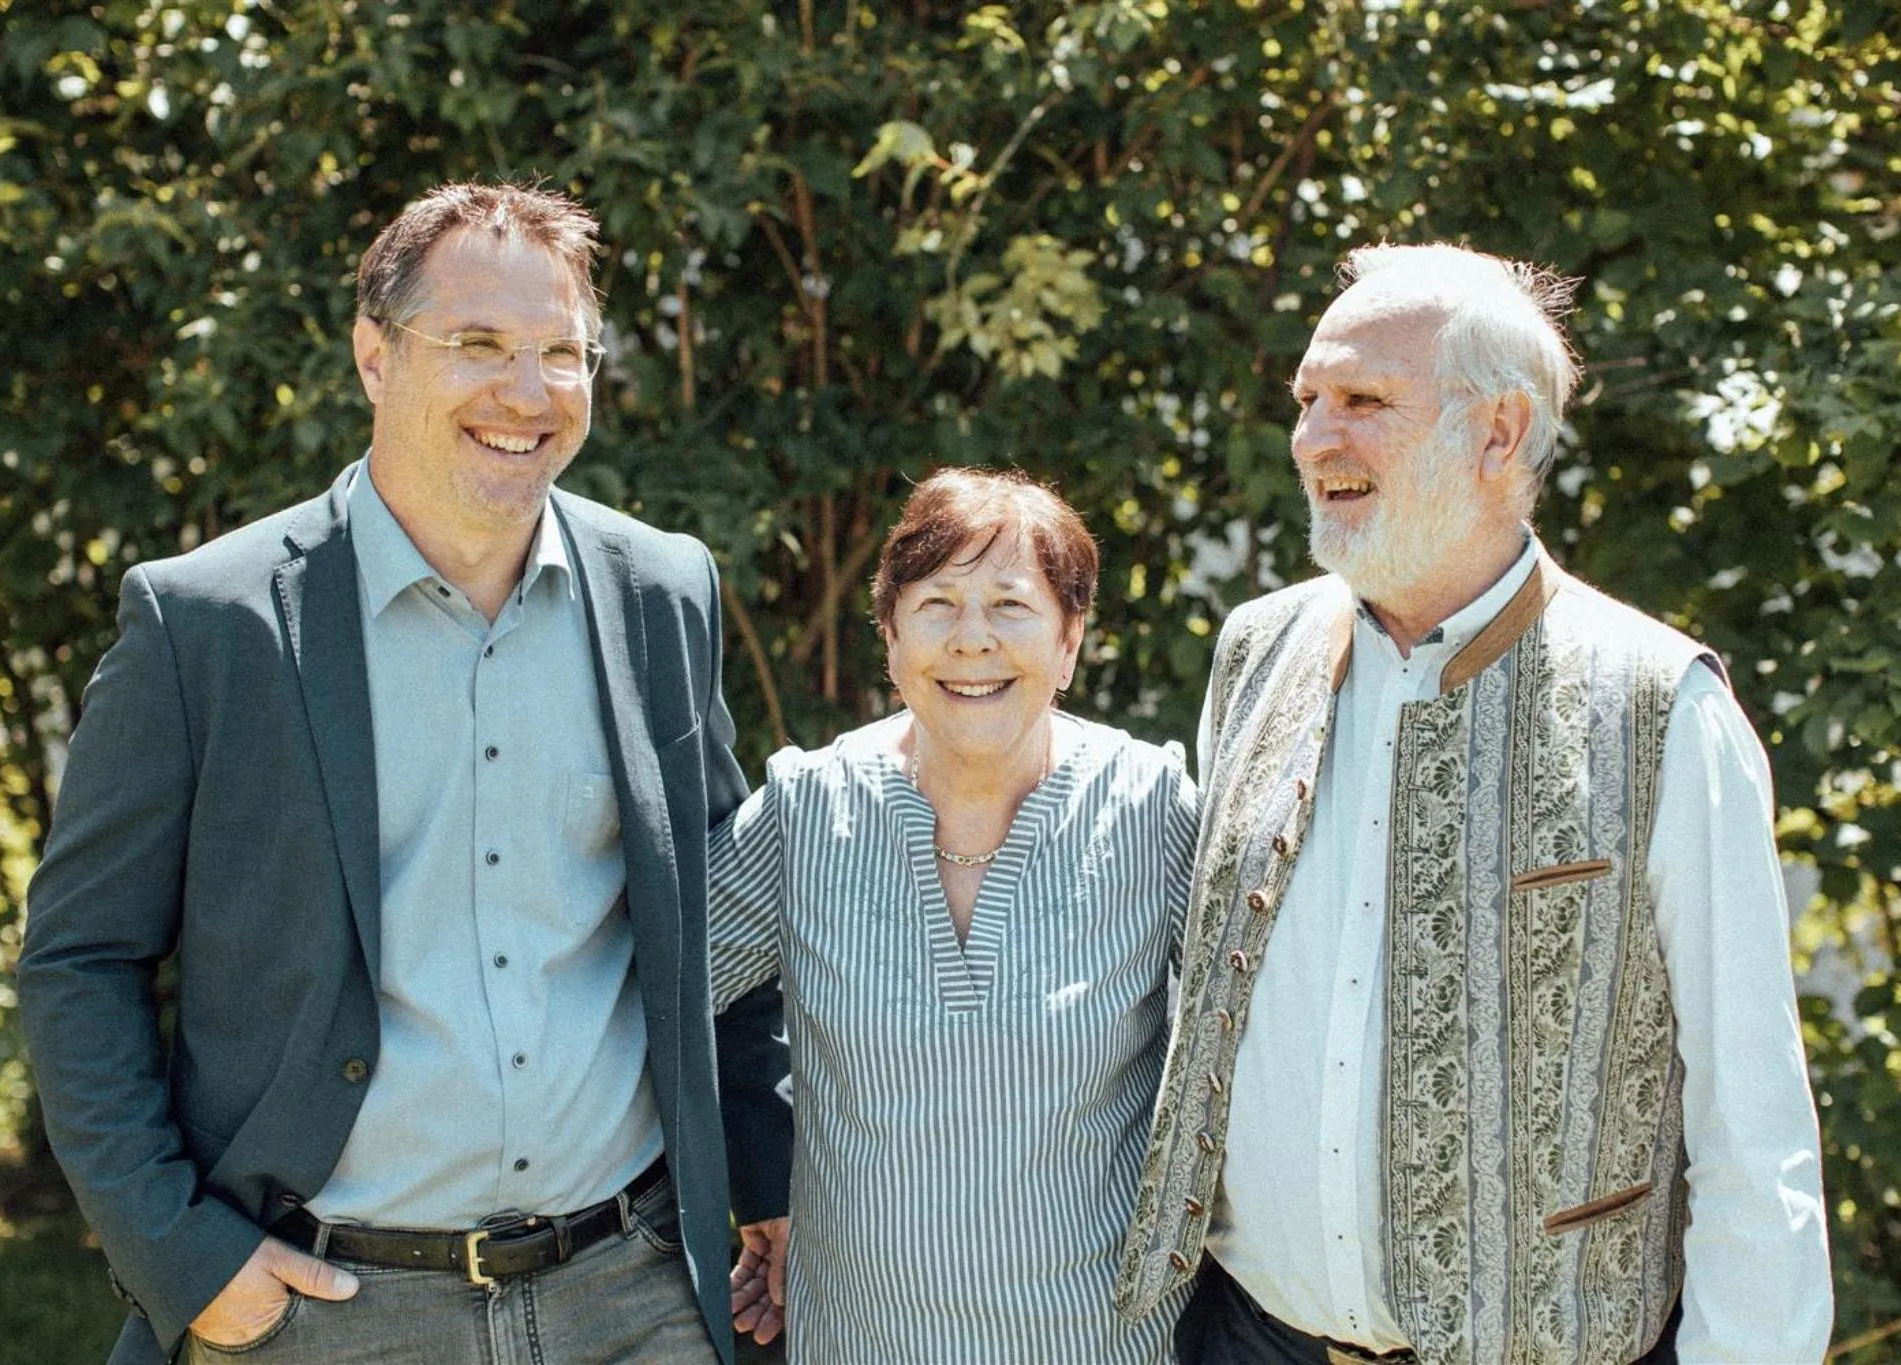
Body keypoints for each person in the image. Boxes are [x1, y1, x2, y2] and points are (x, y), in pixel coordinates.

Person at [17, 182, 791, 1365]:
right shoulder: (209, 625)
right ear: (374, 356)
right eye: (476, 344)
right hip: (328, 1310)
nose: (524, 394)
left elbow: (720, 920)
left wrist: (767, 1175)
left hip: (631, 1295)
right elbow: (81, 959)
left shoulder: (660, 591)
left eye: (559, 353)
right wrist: (179, 1251)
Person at [1117, 244, 1833, 1364]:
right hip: (1249, 1341)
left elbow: (1753, 1122)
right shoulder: (1252, 649)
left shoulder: (1659, 706)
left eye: (1363, 401)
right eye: (1306, 400)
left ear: (1497, 434)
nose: (1314, 438)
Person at [708, 468, 1197, 1363]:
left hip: (1102, 1343)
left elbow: (1254, 1046)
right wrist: (754, 1180)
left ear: (1070, 640)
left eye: (1011, 605)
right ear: (890, 639)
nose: (972, 640)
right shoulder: (806, 808)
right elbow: (655, 1001)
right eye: (937, 604)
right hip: (860, 1340)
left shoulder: (1152, 806)